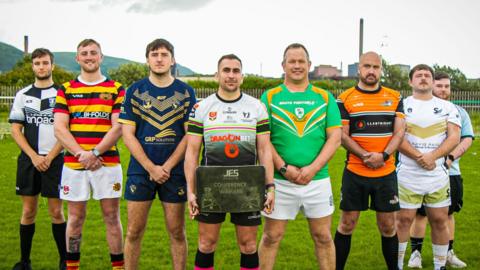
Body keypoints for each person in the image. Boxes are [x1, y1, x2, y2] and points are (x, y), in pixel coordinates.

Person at [185, 54, 274, 270]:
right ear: (217, 75)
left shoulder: (257, 107)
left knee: (249, 245)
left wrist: (270, 187)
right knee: (206, 244)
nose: (231, 75)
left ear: (242, 77)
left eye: (236, 71)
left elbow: (264, 149)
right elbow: (192, 151)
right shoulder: (201, 107)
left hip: (247, 186)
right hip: (211, 185)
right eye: (226, 70)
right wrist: (191, 191)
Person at [258, 43, 341, 270]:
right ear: (283, 65)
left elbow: (335, 137)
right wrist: (284, 168)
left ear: (309, 65)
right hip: (279, 180)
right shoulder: (270, 96)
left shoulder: (324, 97)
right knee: (271, 237)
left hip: (318, 179)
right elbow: (263, 140)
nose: (296, 66)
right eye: (291, 61)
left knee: (323, 237)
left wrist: (313, 168)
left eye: (301, 61)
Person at [119, 38, 196, 270]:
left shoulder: (185, 92)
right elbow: (127, 134)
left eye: (164, 54)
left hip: (174, 172)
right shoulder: (135, 90)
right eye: (155, 54)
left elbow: (189, 135)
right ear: (147, 60)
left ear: (172, 60)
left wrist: (167, 166)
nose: (159, 59)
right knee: (133, 231)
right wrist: (151, 167)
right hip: (141, 170)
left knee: (177, 231)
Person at [53, 39, 125, 270]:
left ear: (101, 57)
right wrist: (81, 154)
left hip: (108, 163)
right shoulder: (66, 89)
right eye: (84, 53)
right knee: (74, 219)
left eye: (93, 52)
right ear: (77, 59)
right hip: (74, 165)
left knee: (112, 217)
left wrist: (94, 152)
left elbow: (118, 127)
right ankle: (72, 266)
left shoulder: (116, 88)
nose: (89, 56)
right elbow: (59, 128)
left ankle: (118, 267)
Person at [334, 51, 405, 270]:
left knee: (388, 226)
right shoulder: (345, 98)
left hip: (386, 173)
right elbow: (343, 135)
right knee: (347, 224)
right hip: (355, 172)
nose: (371, 71)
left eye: (376, 67)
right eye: (367, 66)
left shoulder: (395, 97)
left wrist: (383, 156)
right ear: (359, 69)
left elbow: (400, 132)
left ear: (381, 69)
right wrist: (365, 156)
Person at [396, 64, 461, 270]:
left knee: (440, 219)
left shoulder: (448, 107)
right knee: (404, 220)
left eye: (427, 75)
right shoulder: (401, 105)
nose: (423, 78)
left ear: (432, 81)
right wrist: (418, 157)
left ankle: (438, 266)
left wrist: (433, 156)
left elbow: (454, 137)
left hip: (436, 174)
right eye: (418, 75)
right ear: (410, 81)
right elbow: (396, 136)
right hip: (407, 172)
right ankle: (397, 264)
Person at [407, 71, 474, 269]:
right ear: (431, 86)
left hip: (450, 173)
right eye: (440, 86)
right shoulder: (415, 110)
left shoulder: (459, 111)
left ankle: (448, 253)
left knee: (447, 214)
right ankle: (415, 254)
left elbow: (467, 138)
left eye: (447, 86)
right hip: (418, 172)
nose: (443, 90)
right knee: (420, 214)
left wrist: (450, 158)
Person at [9, 48, 67, 270]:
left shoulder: (62, 94)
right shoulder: (23, 95)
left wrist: (50, 157)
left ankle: (64, 261)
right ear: (33, 66)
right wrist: (34, 156)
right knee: (28, 211)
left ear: (52, 66)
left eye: (45, 63)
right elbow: (16, 130)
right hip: (29, 161)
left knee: (56, 211)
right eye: (37, 63)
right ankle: (24, 262)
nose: (41, 67)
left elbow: (66, 130)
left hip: (55, 160)